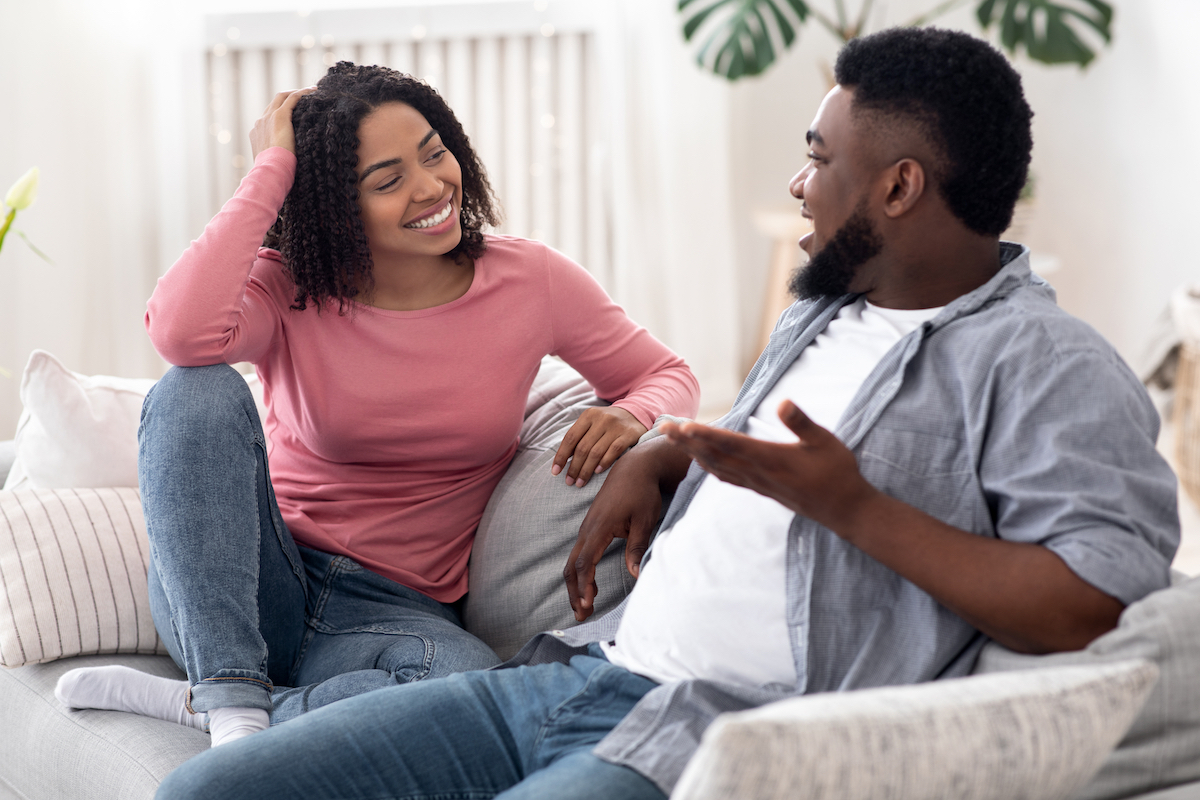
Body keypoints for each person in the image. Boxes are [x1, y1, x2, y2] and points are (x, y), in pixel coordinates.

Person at [152, 27, 1180, 800]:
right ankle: (230, 690)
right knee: (202, 790)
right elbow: (180, 338)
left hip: (698, 726)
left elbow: (1095, 598)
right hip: (580, 669)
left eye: (820, 158)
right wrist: (671, 446)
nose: (796, 181)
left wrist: (856, 509)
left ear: (901, 185)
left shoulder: (1046, 361)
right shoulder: (827, 309)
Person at [53, 62, 699, 747]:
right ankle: (231, 697)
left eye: (435, 153)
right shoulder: (289, 287)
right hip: (249, 583)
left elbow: (667, 372)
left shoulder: (530, 280)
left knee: (466, 683)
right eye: (387, 181)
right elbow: (180, 332)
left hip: (393, 612)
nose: (430, 188)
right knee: (193, 385)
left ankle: (213, 706)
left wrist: (635, 415)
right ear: (334, 204)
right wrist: (272, 169)